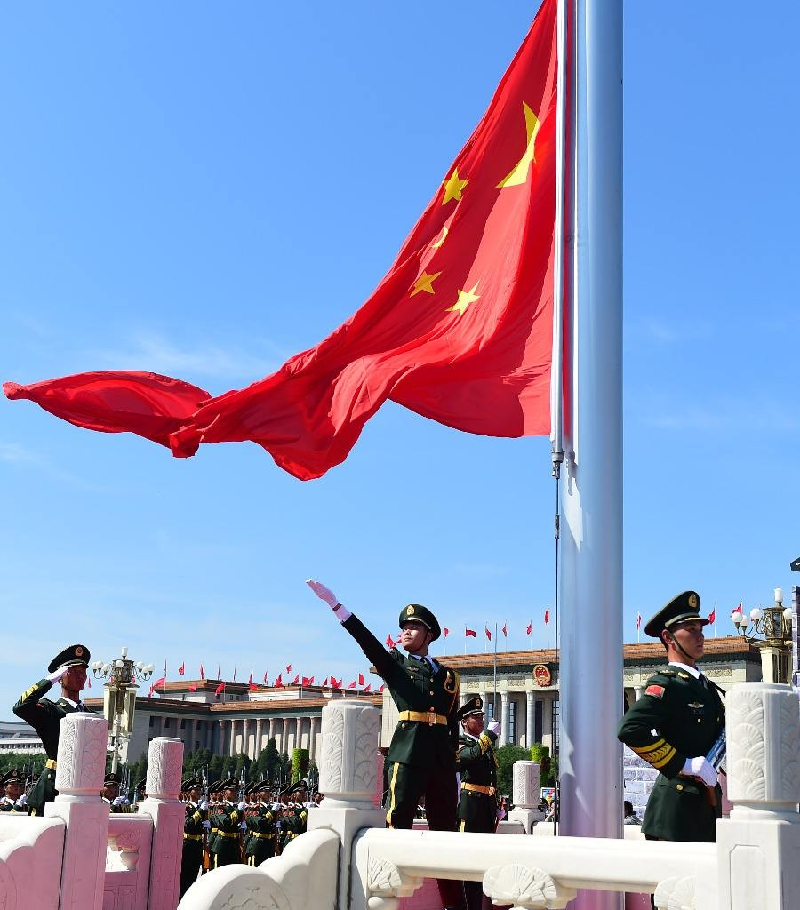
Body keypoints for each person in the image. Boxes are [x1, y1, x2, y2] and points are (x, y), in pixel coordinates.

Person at [307, 579, 463, 910]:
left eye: (413, 627)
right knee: (397, 826)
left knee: (446, 835)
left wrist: (454, 763)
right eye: (403, 628)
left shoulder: (448, 677)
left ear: (429, 634)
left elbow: (451, 723)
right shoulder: (397, 666)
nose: (405, 632)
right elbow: (367, 641)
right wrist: (337, 607)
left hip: (440, 760)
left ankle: (454, 904)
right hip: (408, 755)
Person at [617, 591, 724, 843]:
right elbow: (630, 729)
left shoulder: (707, 688)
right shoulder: (668, 684)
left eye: (700, 629)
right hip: (675, 811)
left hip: (705, 805)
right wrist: (683, 764)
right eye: (691, 629)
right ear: (668, 637)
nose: (700, 636)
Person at [12, 643, 91, 816]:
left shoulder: (90, 715)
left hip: (84, 788)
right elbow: (20, 707)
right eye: (74, 672)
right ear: (61, 677)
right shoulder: (50, 709)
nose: (81, 676)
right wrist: (49, 681)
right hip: (53, 785)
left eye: (83, 672)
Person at [456, 696, 501, 910]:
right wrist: (489, 736)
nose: (481, 721)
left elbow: (491, 776)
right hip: (470, 808)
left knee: (484, 862)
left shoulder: (484, 746)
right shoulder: (461, 742)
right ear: (465, 722)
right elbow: (469, 757)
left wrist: (496, 804)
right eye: (476, 717)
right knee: (468, 861)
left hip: (486, 808)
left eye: (482, 717)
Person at [180, 776, 206, 896]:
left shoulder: (200, 807)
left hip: (198, 845)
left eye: (200, 789)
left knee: (195, 876)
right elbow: (188, 824)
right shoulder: (185, 806)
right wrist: (200, 812)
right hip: (187, 844)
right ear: (189, 792)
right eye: (196, 789)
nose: (199, 792)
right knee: (185, 877)